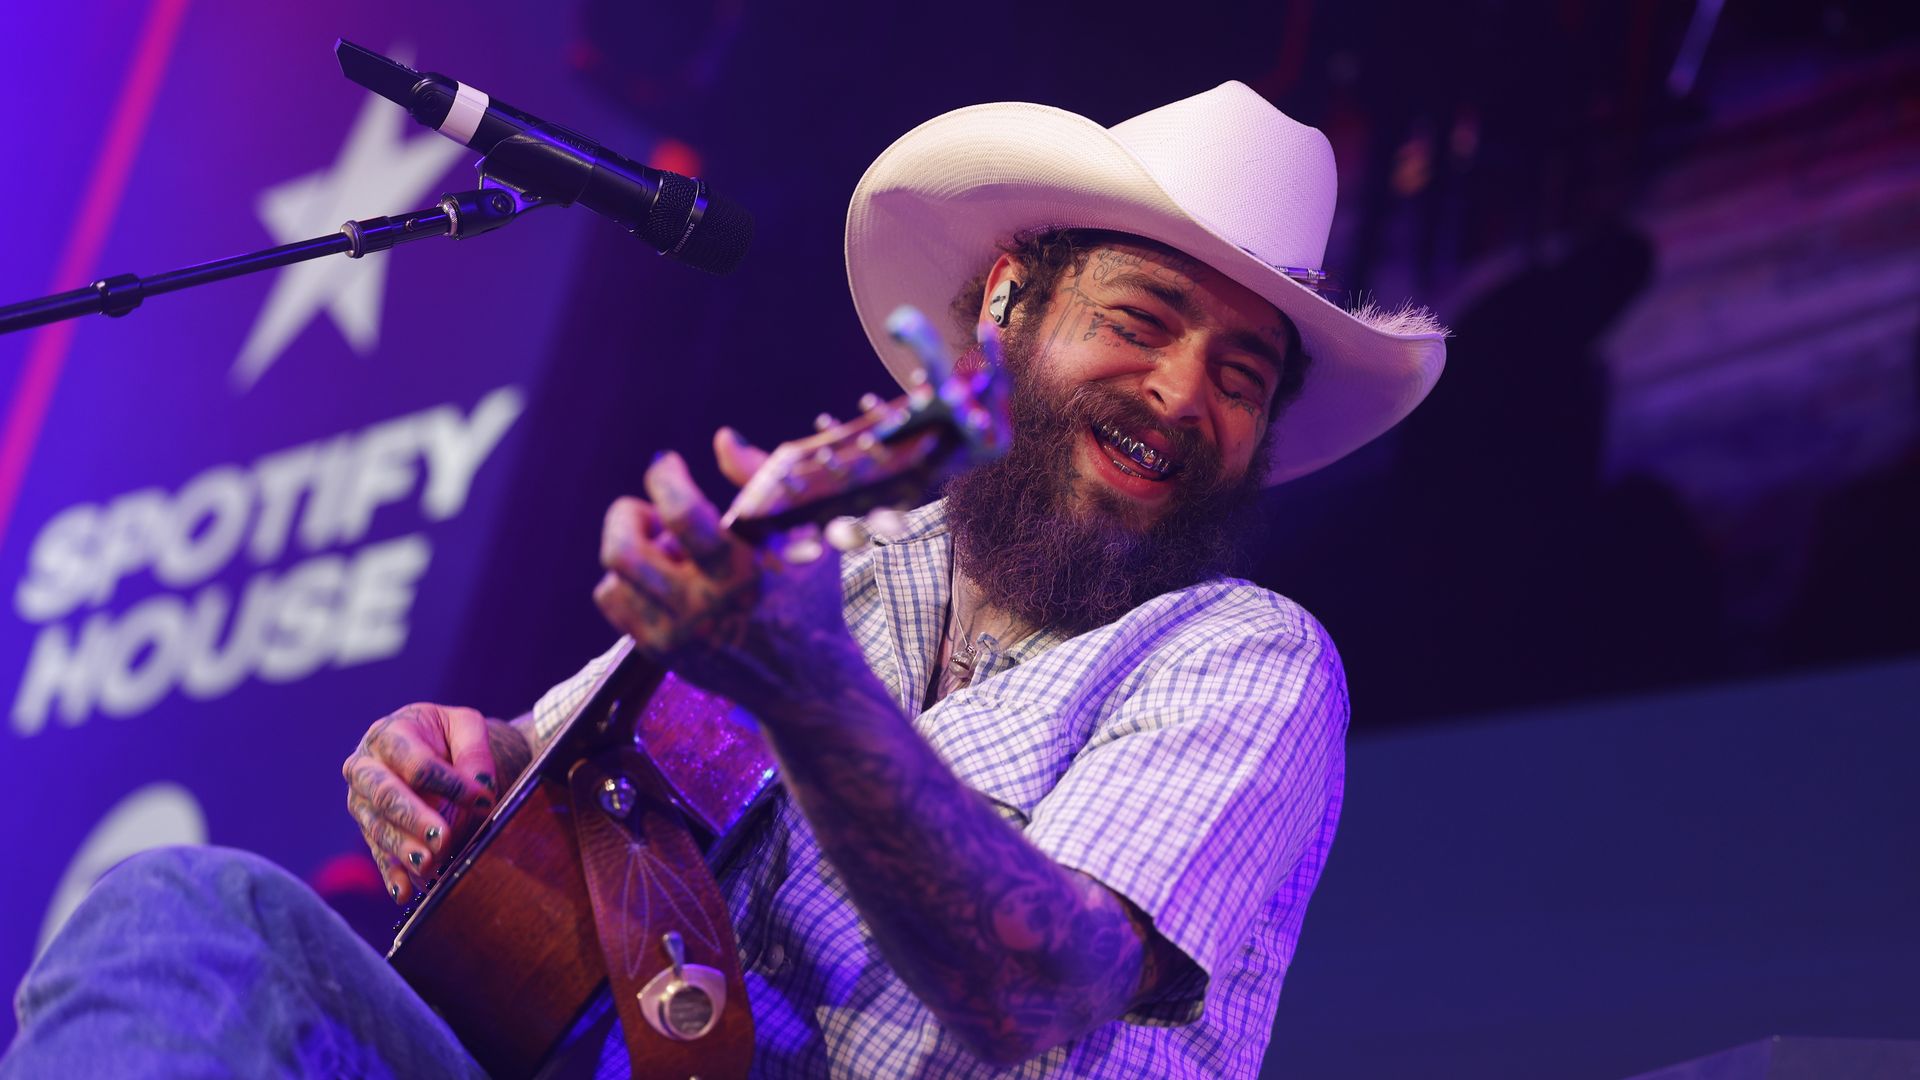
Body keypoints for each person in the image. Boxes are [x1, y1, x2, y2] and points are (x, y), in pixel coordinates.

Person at [2, 82, 1444, 1078]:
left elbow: (1036, 988)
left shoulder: (1240, 653)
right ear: (1003, 309)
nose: (1183, 394)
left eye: (1241, 377)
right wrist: (452, 763)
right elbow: (542, 782)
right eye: (1142, 319)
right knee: (190, 915)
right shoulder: (829, 569)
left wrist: (810, 691)